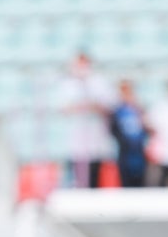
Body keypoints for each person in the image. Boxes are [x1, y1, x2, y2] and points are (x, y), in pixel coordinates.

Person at [56, 51, 117, 189]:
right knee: (75, 174)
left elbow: (110, 105)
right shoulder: (68, 84)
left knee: (94, 174)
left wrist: (93, 106)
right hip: (76, 137)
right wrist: (79, 107)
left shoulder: (99, 82)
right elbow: (62, 108)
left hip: (95, 136)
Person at [107, 78, 149, 188]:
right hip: (125, 151)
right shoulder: (117, 110)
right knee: (126, 181)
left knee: (140, 181)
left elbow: (147, 127)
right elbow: (113, 130)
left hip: (139, 151)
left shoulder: (139, 108)